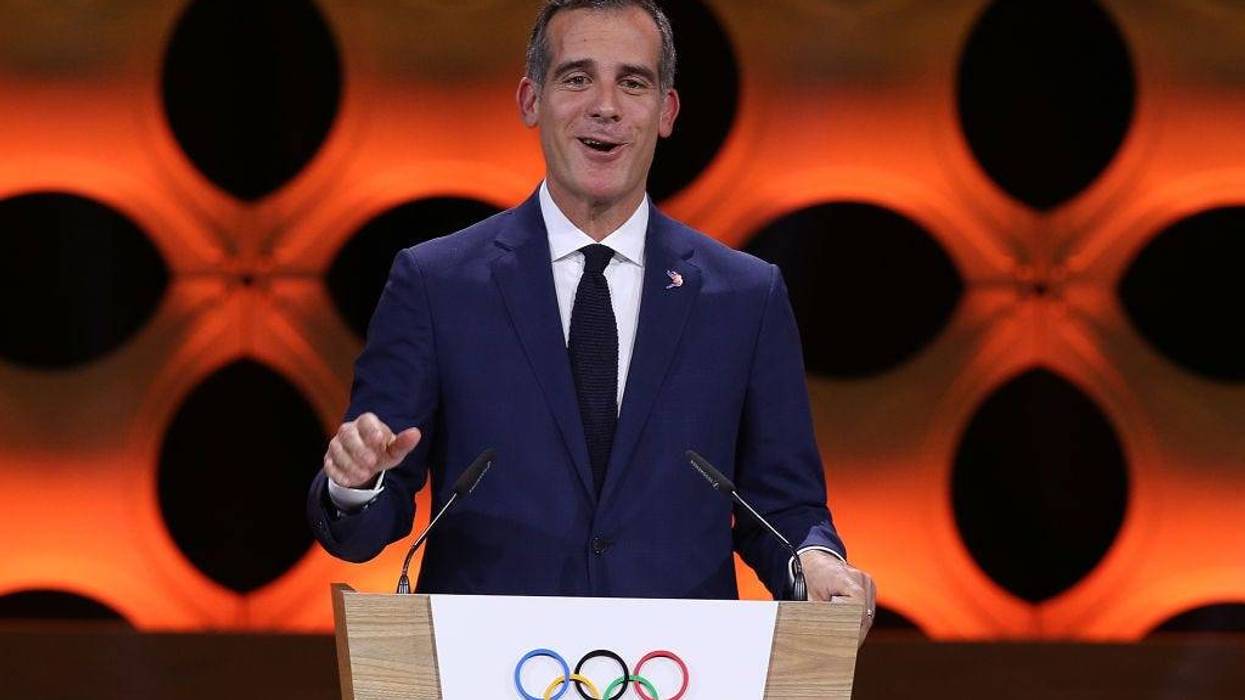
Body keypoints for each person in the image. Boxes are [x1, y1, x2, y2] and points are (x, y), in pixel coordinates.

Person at [307, 0, 875, 638]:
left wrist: (815, 561)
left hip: (678, 666)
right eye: (577, 78)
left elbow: (782, 504)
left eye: (632, 83)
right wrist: (355, 486)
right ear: (530, 101)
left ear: (666, 112)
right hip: (489, 662)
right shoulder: (437, 283)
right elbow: (366, 525)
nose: (606, 105)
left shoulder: (746, 296)